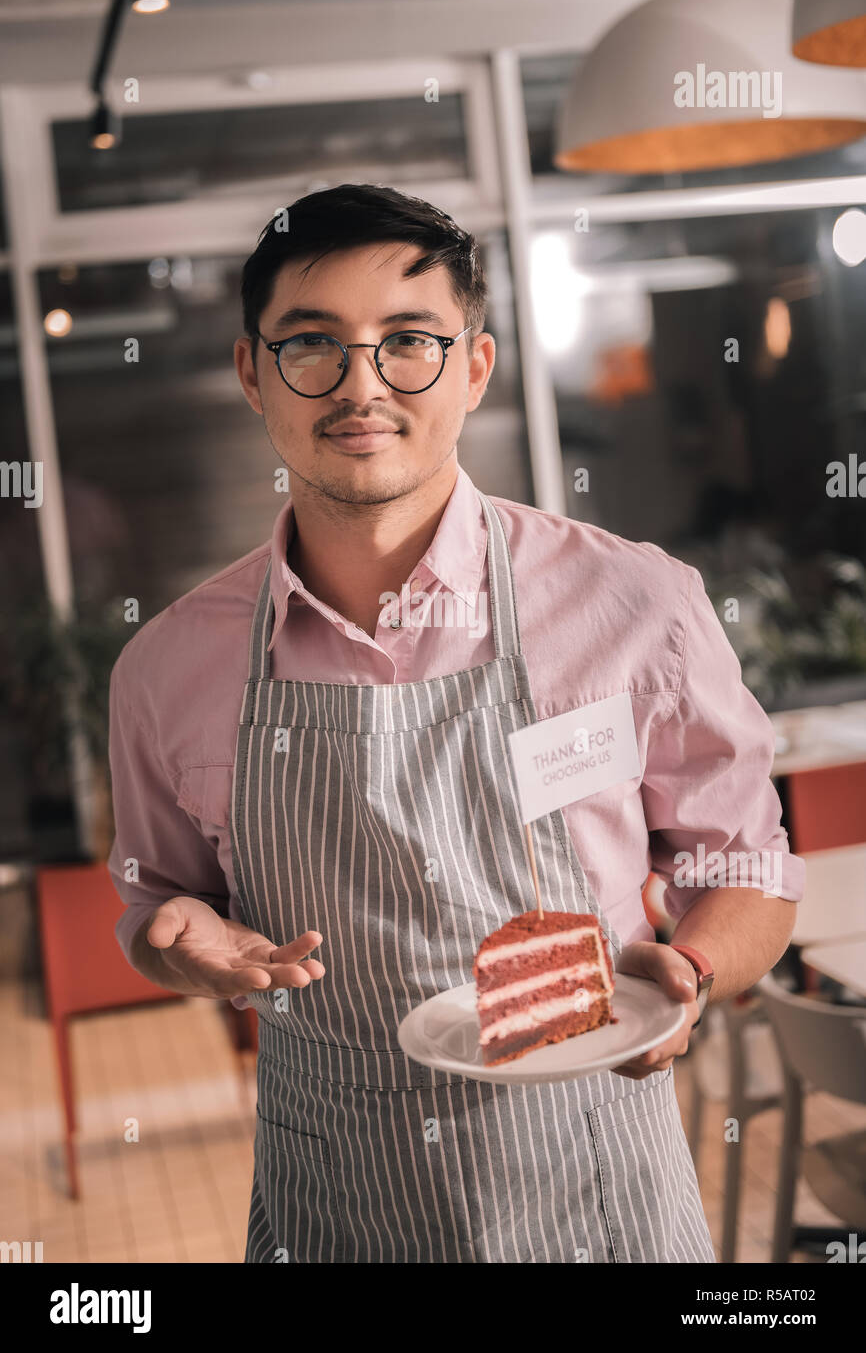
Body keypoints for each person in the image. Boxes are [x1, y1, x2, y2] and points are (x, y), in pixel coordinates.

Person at [108, 183, 804, 1264]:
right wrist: (179, 948)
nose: (361, 384)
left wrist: (694, 973)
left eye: (409, 341)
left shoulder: (636, 603)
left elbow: (748, 864)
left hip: (599, 1200)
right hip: (336, 1204)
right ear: (253, 374)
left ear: (474, 367)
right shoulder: (164, 670)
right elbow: (158, 899)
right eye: (311, 345)